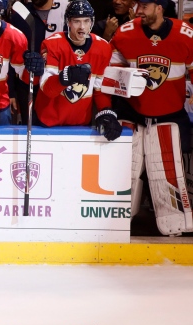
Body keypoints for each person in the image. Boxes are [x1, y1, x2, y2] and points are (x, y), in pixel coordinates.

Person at [110, 0, 193, 236]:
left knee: (167, 170)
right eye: (138, 5)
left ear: (160, 7)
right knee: (124, 170)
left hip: (170, 116)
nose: (138, 11)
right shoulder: (125, 32)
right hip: (131, 115)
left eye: (145, 6)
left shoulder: (186, 34)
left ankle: (176, 222)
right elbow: (110, 71)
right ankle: (116, 220)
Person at [34, 0, 121, 143]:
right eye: (76, 21)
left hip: (80, 123)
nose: (82, 27)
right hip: (48, 122)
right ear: (68, 22)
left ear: (92, 22)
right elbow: (47, 89)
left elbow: (99, 90)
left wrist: (106, 112)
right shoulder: (52, 44)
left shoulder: (103, 48)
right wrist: (66, 76)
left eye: (86, 21)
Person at [9, 0, 70, 125]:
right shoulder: (19, 16)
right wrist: (10, 91)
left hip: (57, 84)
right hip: (28, 84)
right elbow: (10, 54)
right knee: (30, 127)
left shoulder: (66, 12)